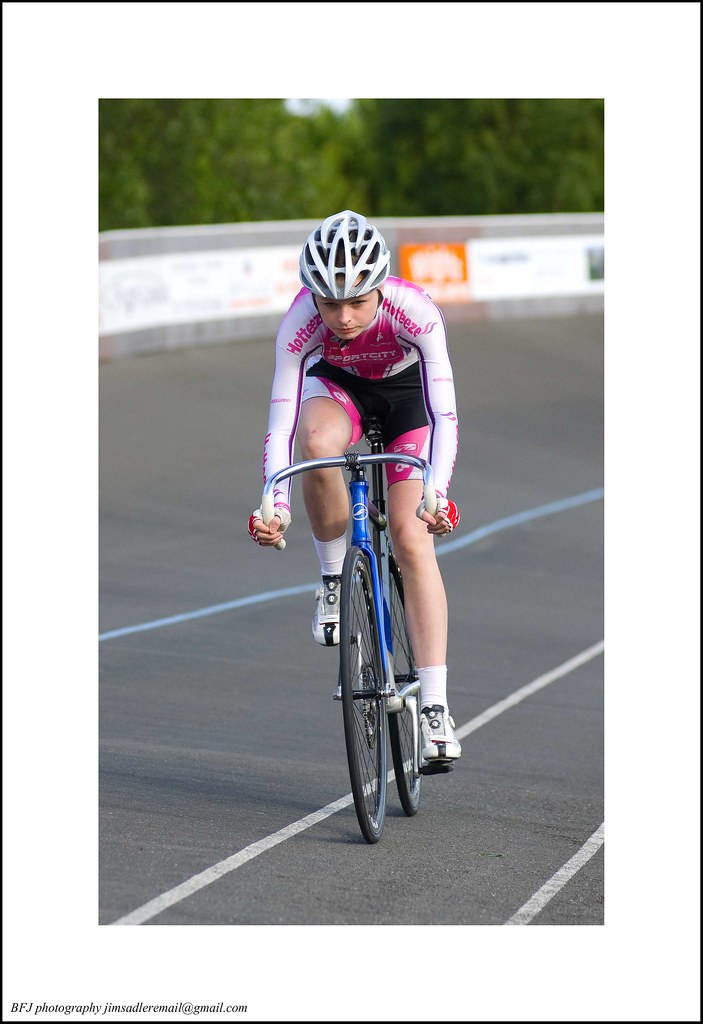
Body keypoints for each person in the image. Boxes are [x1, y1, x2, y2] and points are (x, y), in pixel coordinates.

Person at [248, 211, 462, 765]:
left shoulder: (414, 310)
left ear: (379, 288)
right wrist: (273, 501)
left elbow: (445, 414)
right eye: (329, 303)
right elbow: (283, 422)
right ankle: (332, 577)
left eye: (356, 302)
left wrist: (436, 491)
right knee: (317, 445)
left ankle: (435, 707)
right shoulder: (300, 320)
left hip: (406, 400)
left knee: (414, 542)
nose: (342, 318)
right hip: (338, 392)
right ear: (311, 296)